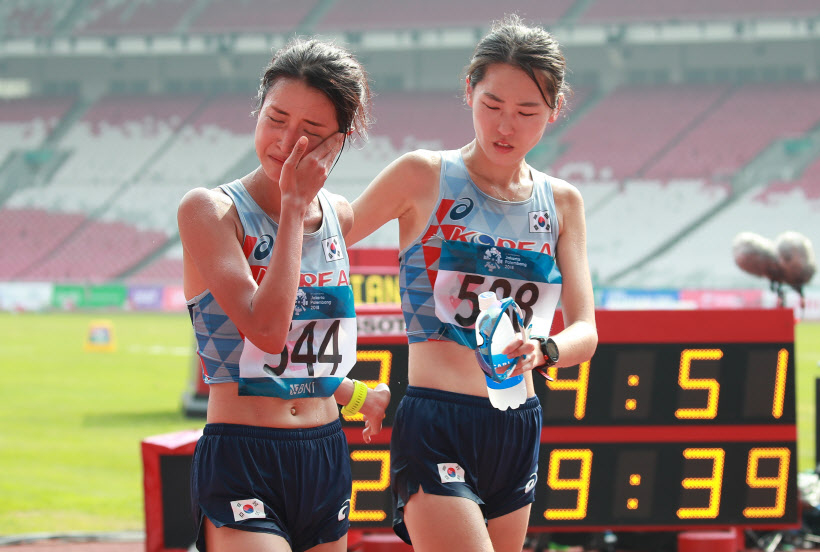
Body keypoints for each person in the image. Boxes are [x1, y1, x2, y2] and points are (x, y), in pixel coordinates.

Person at [347, 15, 598, 552]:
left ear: (553, 112)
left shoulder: (562, 203)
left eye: (527, 112)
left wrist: (544, 349)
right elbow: (330, 235)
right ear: (468, 92)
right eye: (492, 106)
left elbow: (586, 331)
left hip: (517, 425)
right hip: (438, 419)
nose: (506, 126)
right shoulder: (422, 175)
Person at [178, 38, 390, 552]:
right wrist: (294, 208)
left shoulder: (338, 215)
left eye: (311, 132)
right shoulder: (210, 211)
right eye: (276, 118)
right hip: (243, 455)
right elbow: (267, 333)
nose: (287, 142)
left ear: (336, 145)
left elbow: (301, 358)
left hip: (322, 454)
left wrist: (359, 394)